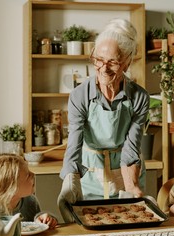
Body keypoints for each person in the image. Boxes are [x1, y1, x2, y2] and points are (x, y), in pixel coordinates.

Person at [58, 19, 150, 221]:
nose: (103, 68)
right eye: (98, 59)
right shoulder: (79, 96)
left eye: (113, 62)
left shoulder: (139, 97)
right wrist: (70, 182)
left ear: (127, 61)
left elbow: (131, 147)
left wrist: (131, 186)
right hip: (90, 173)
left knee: (129, 221)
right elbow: (74, 143)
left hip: (126, 170)